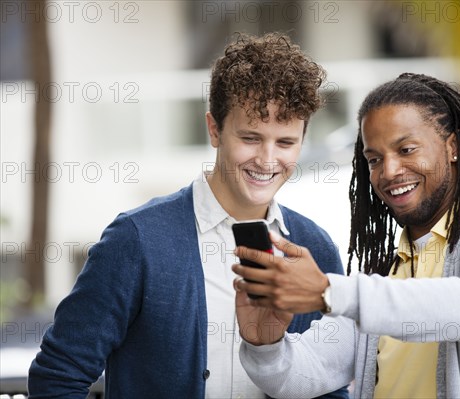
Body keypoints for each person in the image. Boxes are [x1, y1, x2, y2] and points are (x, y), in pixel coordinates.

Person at [28, 32, 348, 399]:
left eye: (286, 142)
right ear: (214, 129)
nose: (267, 159)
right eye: (250, 138)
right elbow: (57, 377)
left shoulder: (315, 248)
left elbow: (329, 384)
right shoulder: (137, 239)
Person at [232, 73, 460, 398]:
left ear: (452, 146)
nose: (389, 171)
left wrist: (329, 291)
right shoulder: (385, 276)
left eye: (406, 149)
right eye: (375, 159)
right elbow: (303, 375)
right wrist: (266, 344)